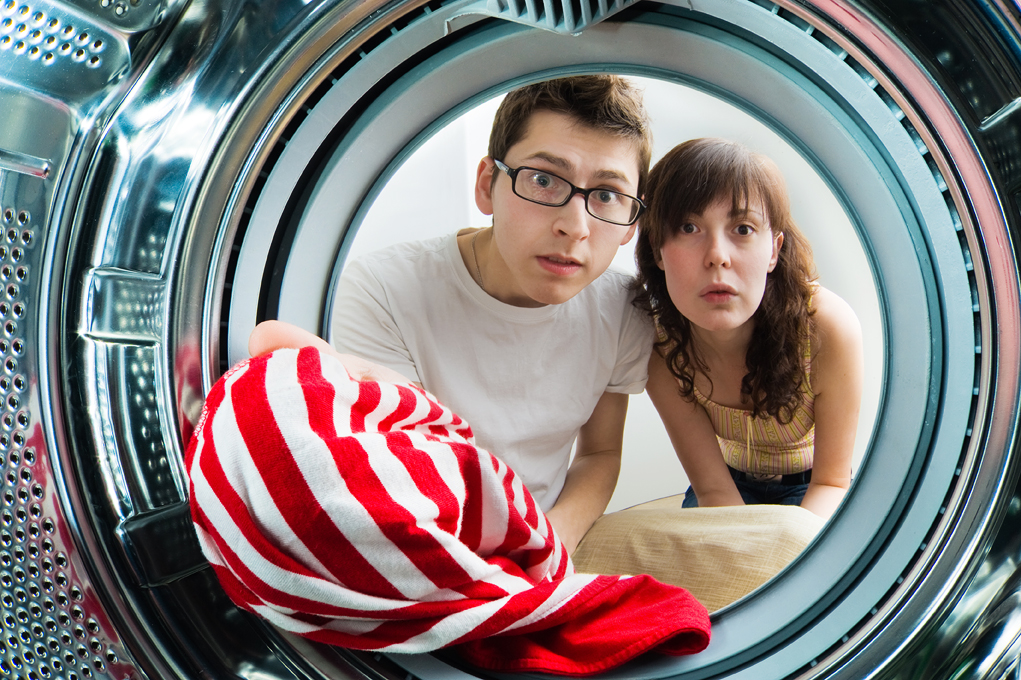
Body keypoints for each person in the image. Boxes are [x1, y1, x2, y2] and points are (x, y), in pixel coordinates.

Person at [250, 75, 655, 553]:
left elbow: (600, 453)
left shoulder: (622, 307)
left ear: (631, 223)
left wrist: (553, 543)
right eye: (543, 180)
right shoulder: (383, 290)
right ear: (487, 185)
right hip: (419, 541)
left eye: (607, 195)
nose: (574, 226)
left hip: (545, 543)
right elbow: (400, 474)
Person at [633, 137, 863, 520]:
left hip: (814, 487)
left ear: (773, 250)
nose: (717, 257)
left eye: (742, 229)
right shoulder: (659, 344)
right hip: (727, 483)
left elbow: (833, 483)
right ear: (657, 249)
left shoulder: (827, 328)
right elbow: (713, 488)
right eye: (689, 227)